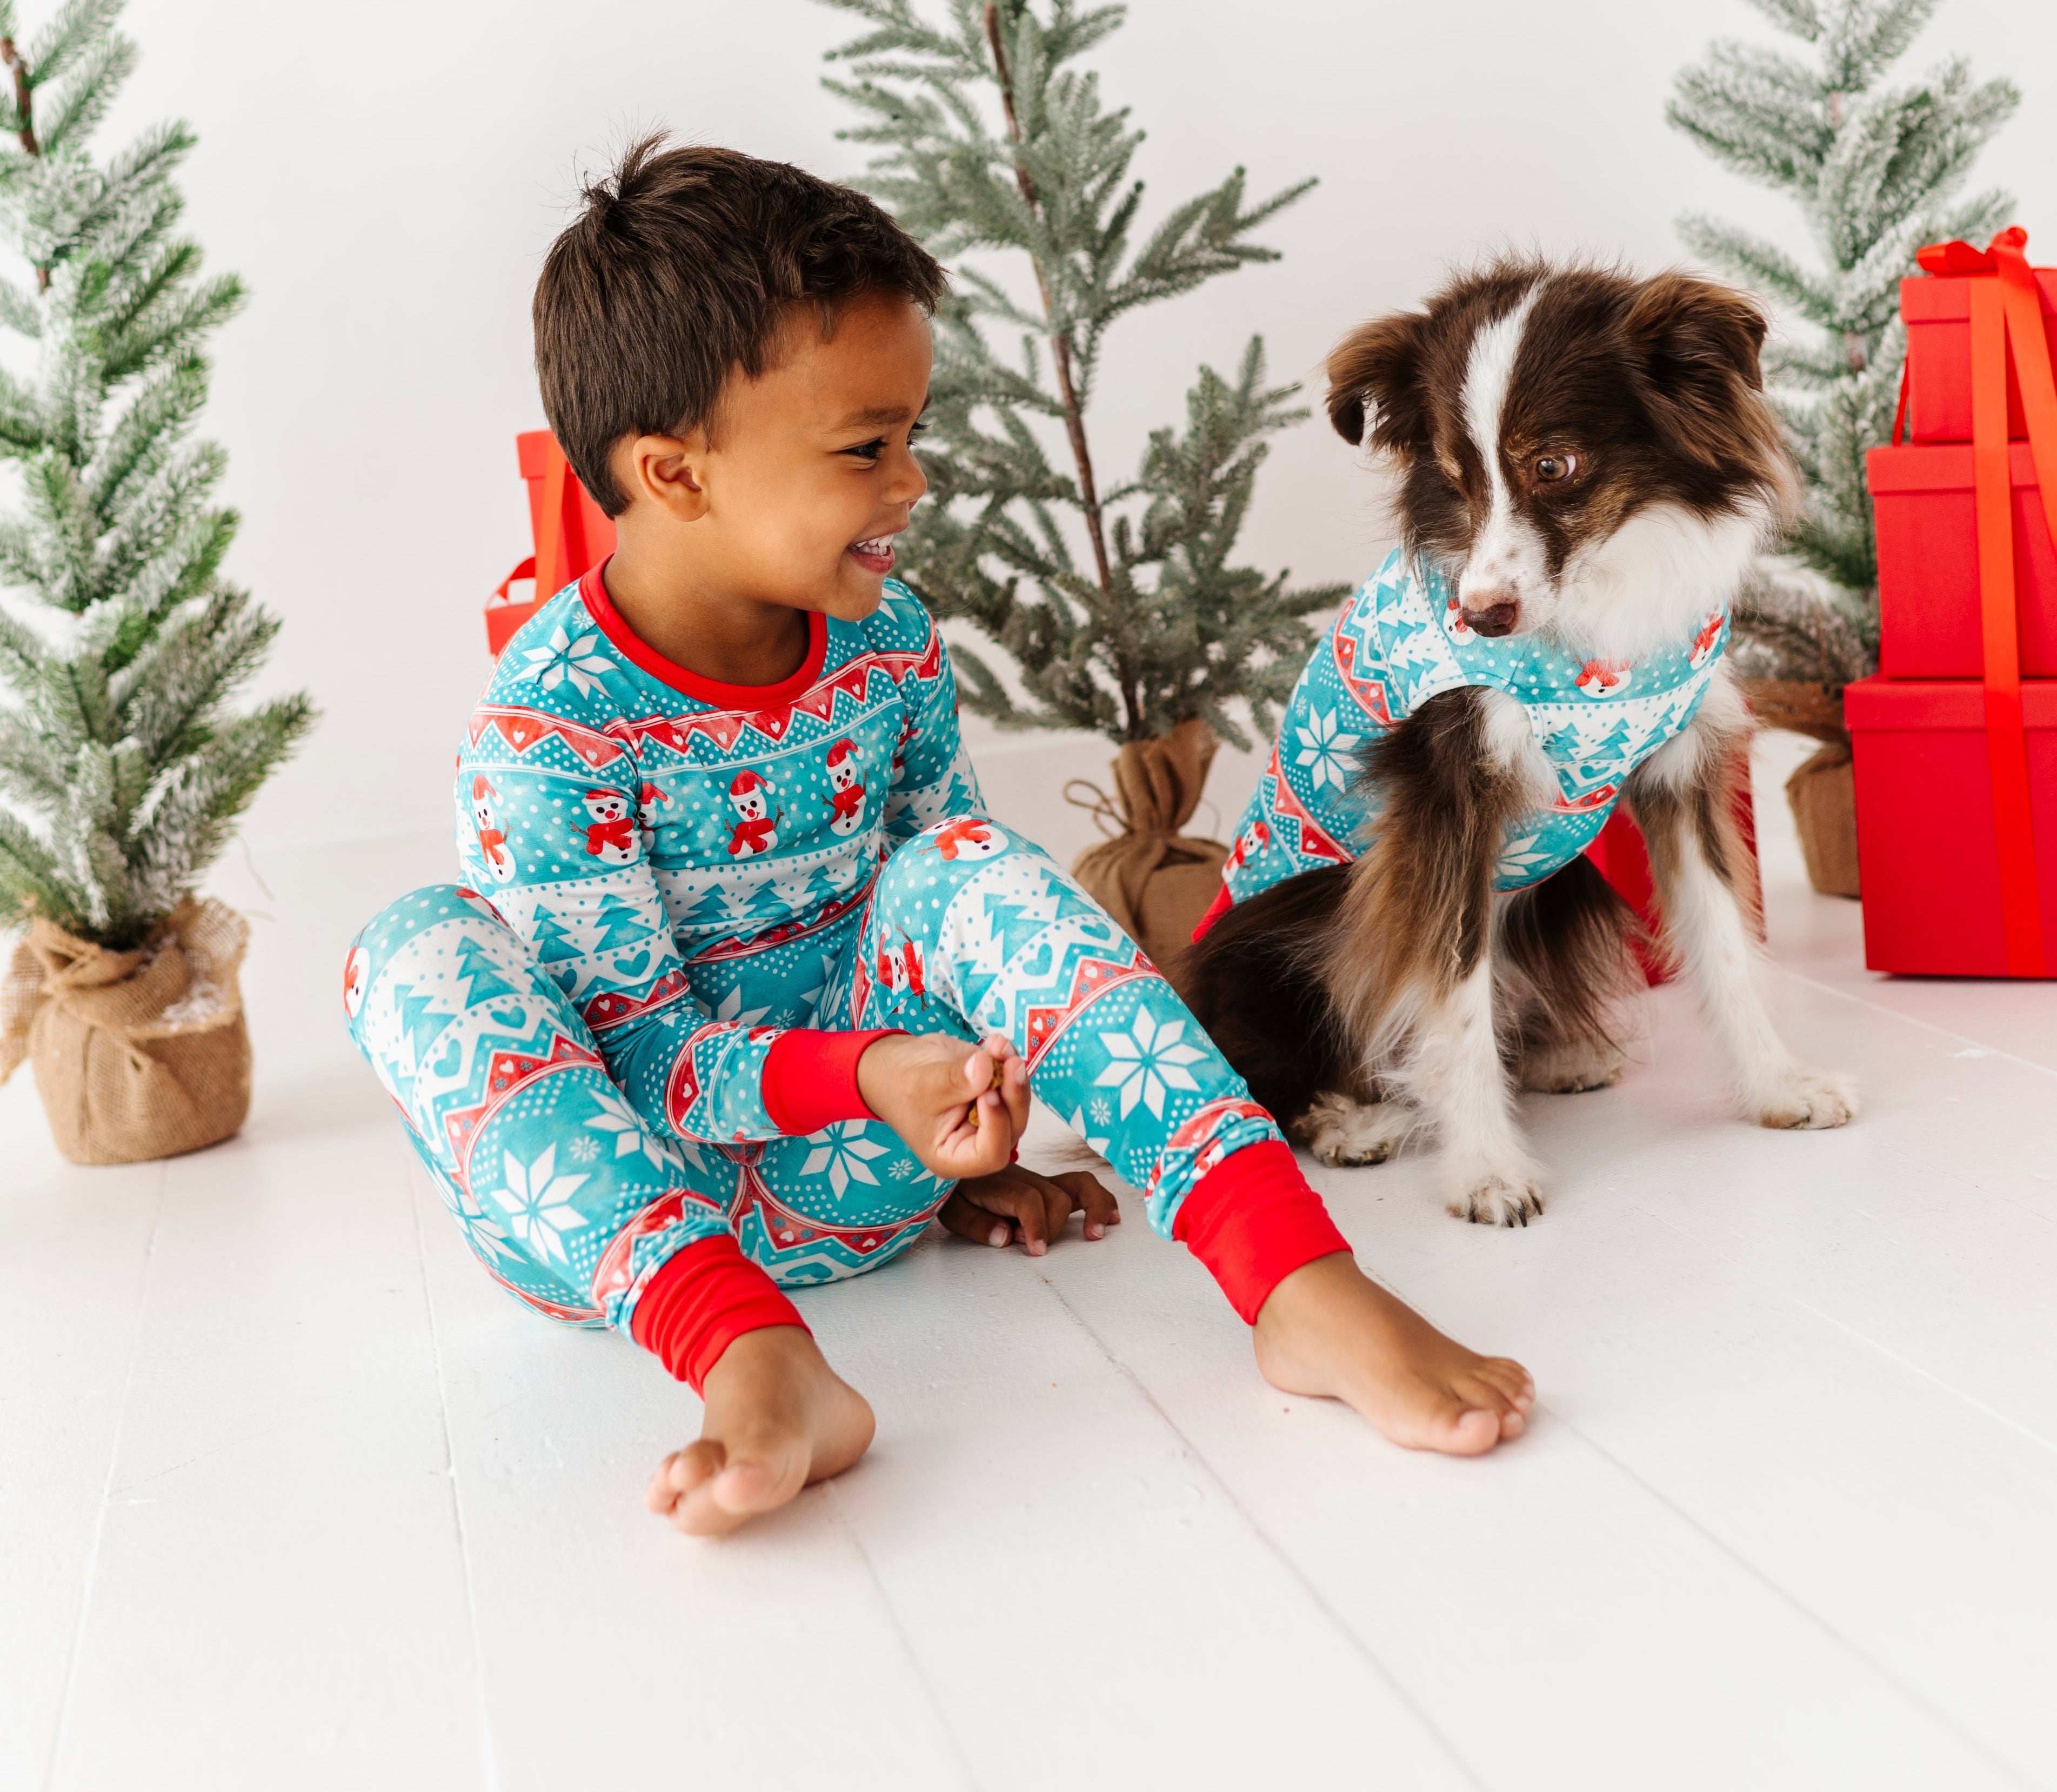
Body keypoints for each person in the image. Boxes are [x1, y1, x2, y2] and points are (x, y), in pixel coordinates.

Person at [344, 139, 1533, 1538]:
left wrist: (955, 1124)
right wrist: (873, 1073)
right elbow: (650, 1066)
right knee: (409, 950)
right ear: (674, 475)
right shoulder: (552, 728)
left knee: (965, 862)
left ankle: (1294, 1281)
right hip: (630, 1220)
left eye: (911, 434)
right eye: (866, 448)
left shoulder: (890, 645)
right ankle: (752, 1358)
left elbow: (960, 916)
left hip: (869, 1162)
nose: (911, 483)